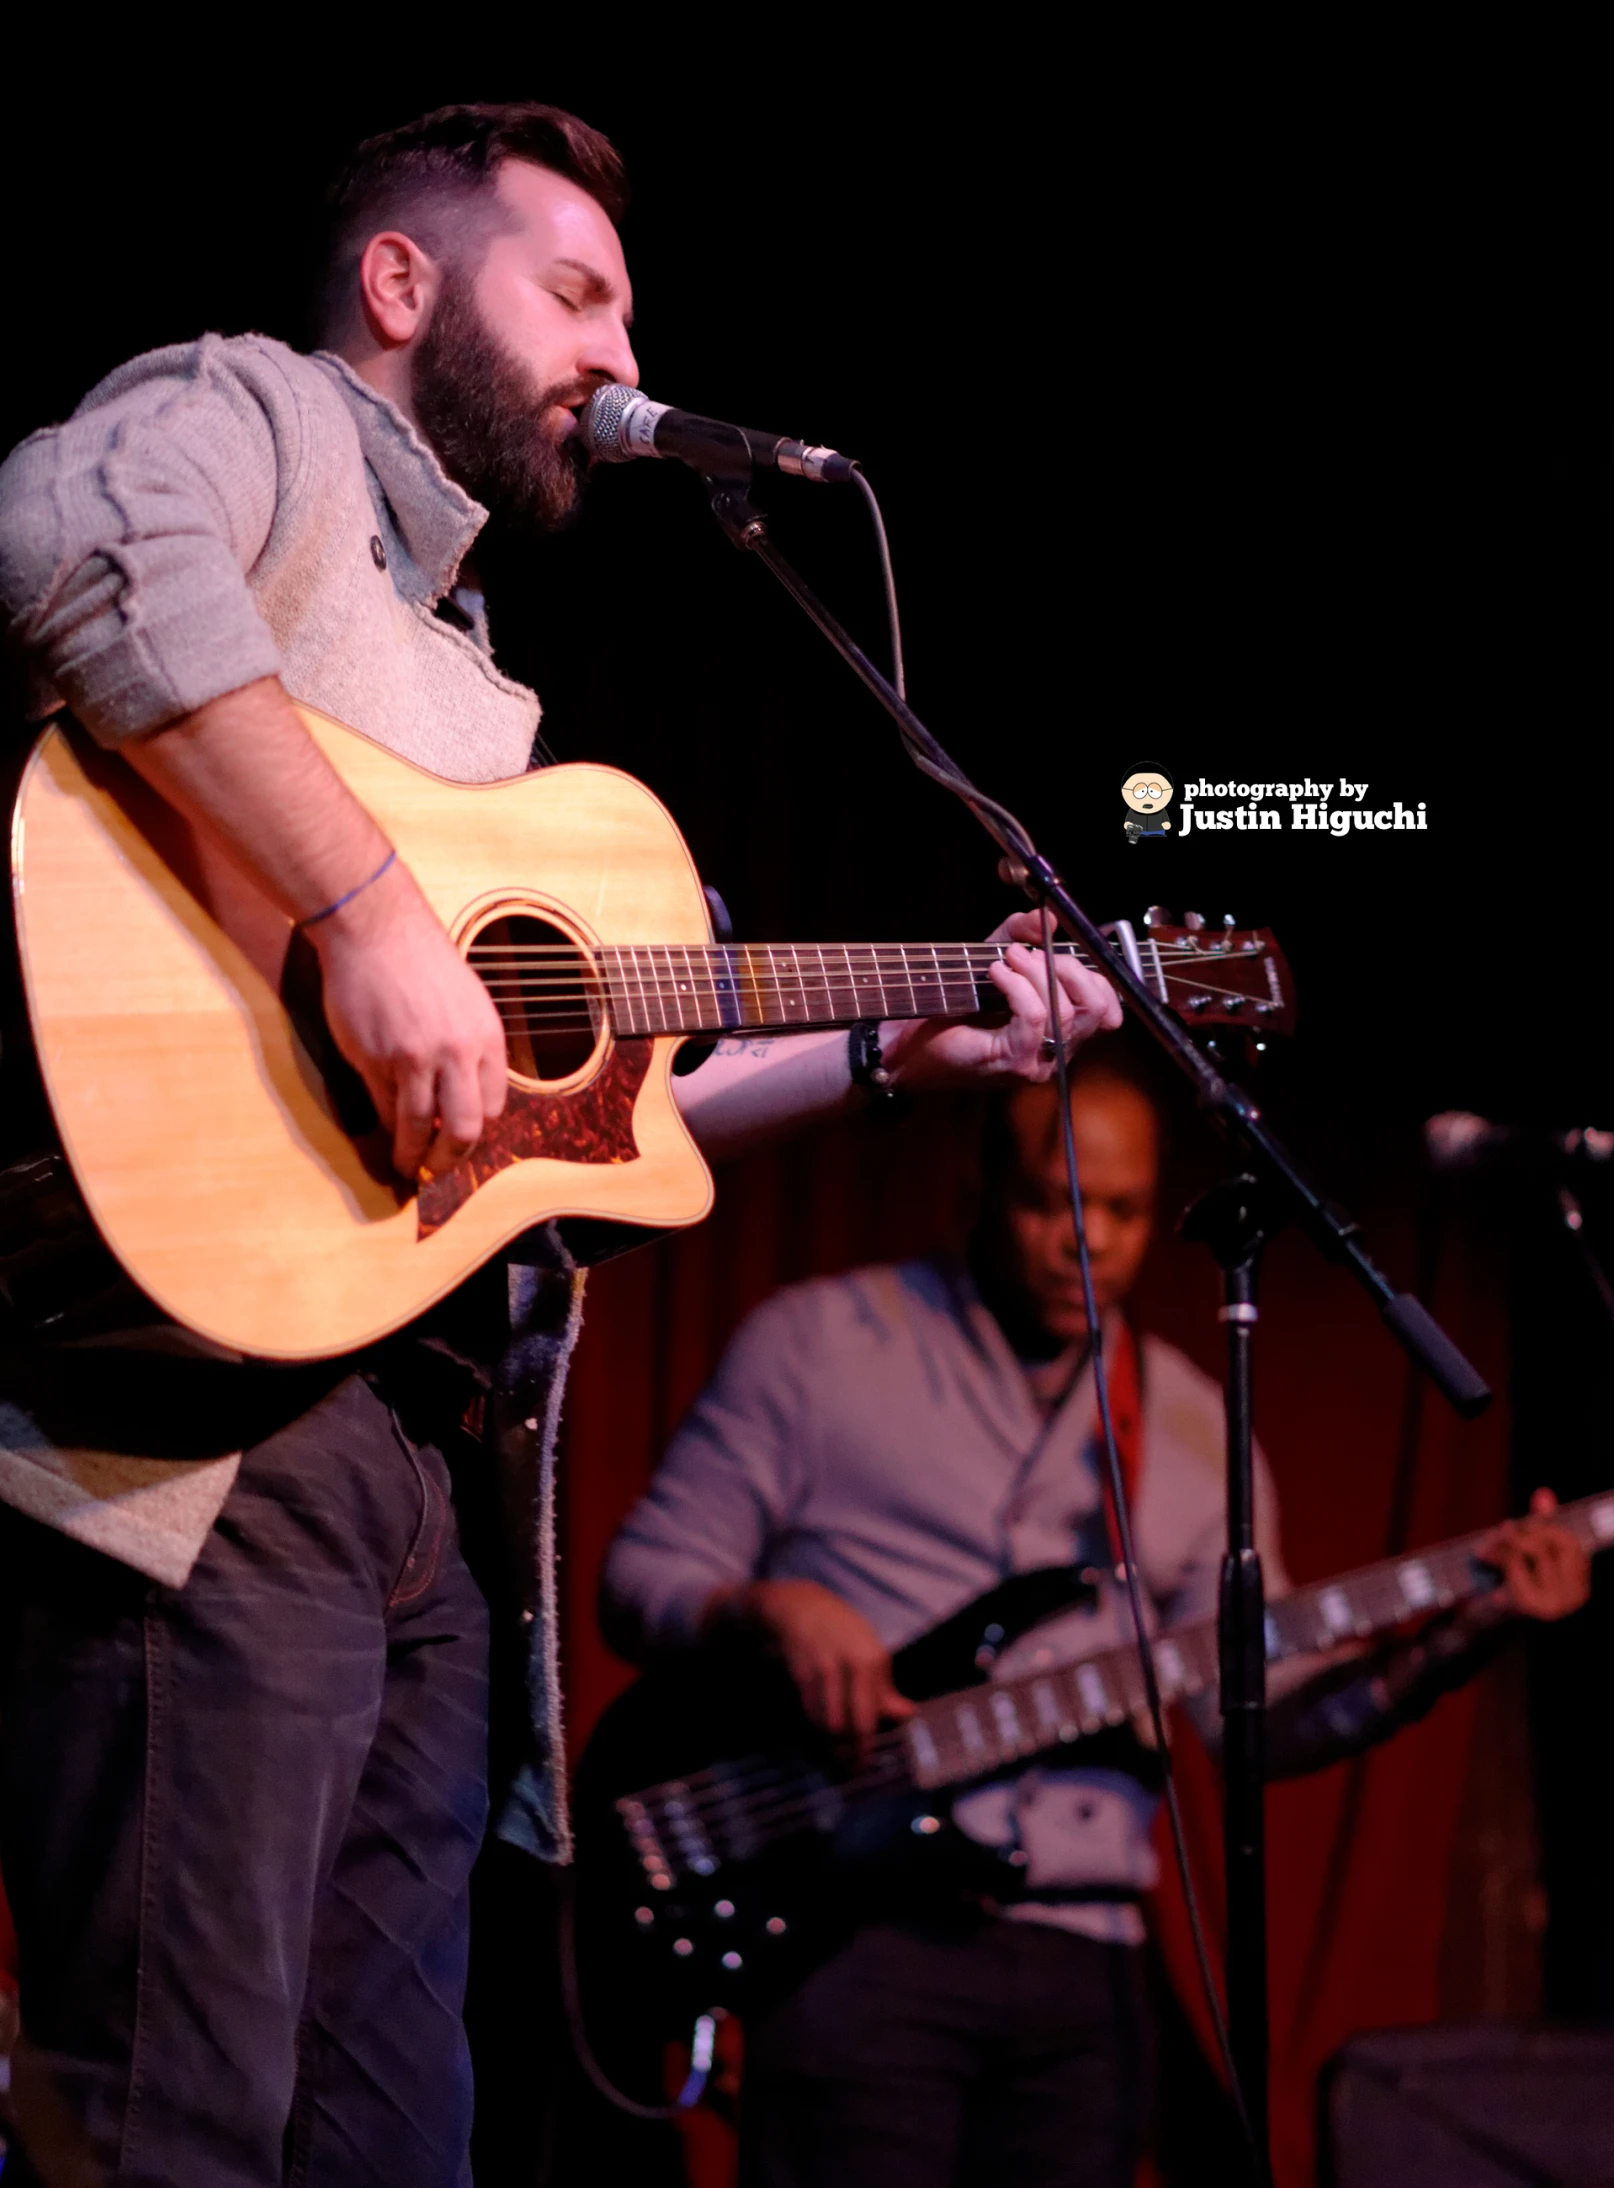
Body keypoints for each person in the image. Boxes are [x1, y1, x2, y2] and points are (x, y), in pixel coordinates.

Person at [0, 101, 1120, 2188]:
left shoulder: (466, 684)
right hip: (211, 1427)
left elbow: (589, 1119)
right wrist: (355, 910)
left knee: (389, 2138)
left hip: (425, 1473)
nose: (621, 349)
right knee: (172, 2123)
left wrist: (902, 1043)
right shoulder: (248, 407)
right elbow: (71, 539)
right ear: (405, 286)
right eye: (577, 291)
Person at [601, 1038, 1590, 2186]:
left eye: (1121, 1210)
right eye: (1051, 1201)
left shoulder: (1190, 1422)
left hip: (1087, 1969)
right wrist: (769, 1606)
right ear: (977, 1191)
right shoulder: (818, 1346)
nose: (1088, 1237)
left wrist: (1467, 1636)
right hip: (856, 1937)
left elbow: (1253, 1722)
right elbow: (641, 1579)